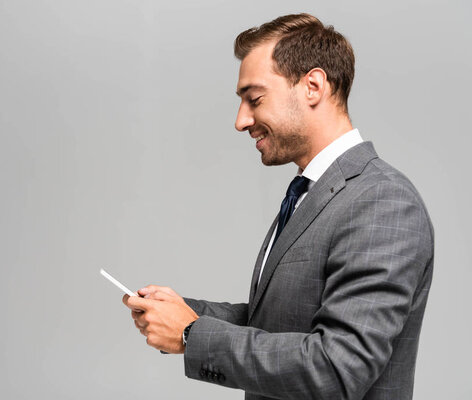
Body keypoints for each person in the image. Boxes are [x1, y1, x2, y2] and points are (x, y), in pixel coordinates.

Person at [123, 13, 433, 400]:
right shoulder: (310, 192)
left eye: (254, 99)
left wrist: (191, 335)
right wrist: (187, 312)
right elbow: (282, 322)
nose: (241, 121)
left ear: (313, 86)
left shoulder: (382, 201)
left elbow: (337, 369)